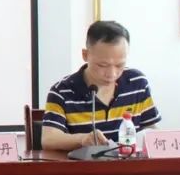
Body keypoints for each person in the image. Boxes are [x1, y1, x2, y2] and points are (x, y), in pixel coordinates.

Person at [41, 20, 161, 151]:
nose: (112, 74)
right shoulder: (61, 91)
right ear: (85, 55)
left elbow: (151, 129)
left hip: (129, 161)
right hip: (85, 163)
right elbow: (49, 139)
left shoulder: (137, 82)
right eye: (102, 65)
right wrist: (82, 139)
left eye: (119, 65)